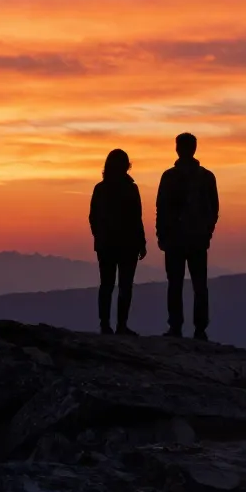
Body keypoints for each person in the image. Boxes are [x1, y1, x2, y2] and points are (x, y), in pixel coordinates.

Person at [156, 132, 219, 340]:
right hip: (197, 239)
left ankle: (176, 327)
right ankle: (200, 329)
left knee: (176, 284)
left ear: (177, 148)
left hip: (177, 239)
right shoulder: (206, 177)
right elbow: (214, 208)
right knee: (199, 285)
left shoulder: (170, 176)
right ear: (194, 149)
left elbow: (161, 208)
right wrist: (207, 230)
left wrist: (162, 234)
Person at [89, 148, 147, 335]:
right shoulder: (131, 189)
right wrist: (141, 242)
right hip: (127, 245)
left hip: (107, 245)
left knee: (107, 285)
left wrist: (99, 237)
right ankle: (121, 325)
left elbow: (93, 218)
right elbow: (137, 217)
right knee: (124, 285)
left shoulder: (101, 188)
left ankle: (105, 325)